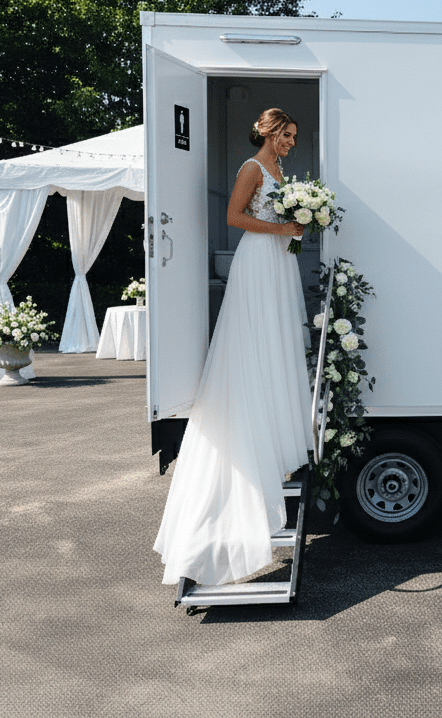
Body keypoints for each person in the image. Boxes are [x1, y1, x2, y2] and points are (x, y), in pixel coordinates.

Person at [154, 108, 313, 586]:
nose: (290, 143)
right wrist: (286, 229)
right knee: (254, 339)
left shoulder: (282, 172)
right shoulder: (252, 168)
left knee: (278, 340)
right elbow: (234, 216)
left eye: (293, 137)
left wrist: (298, 225)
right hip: (258, 262)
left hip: (279, 264)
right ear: (267, 131)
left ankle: (273, 420)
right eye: (286, 135)